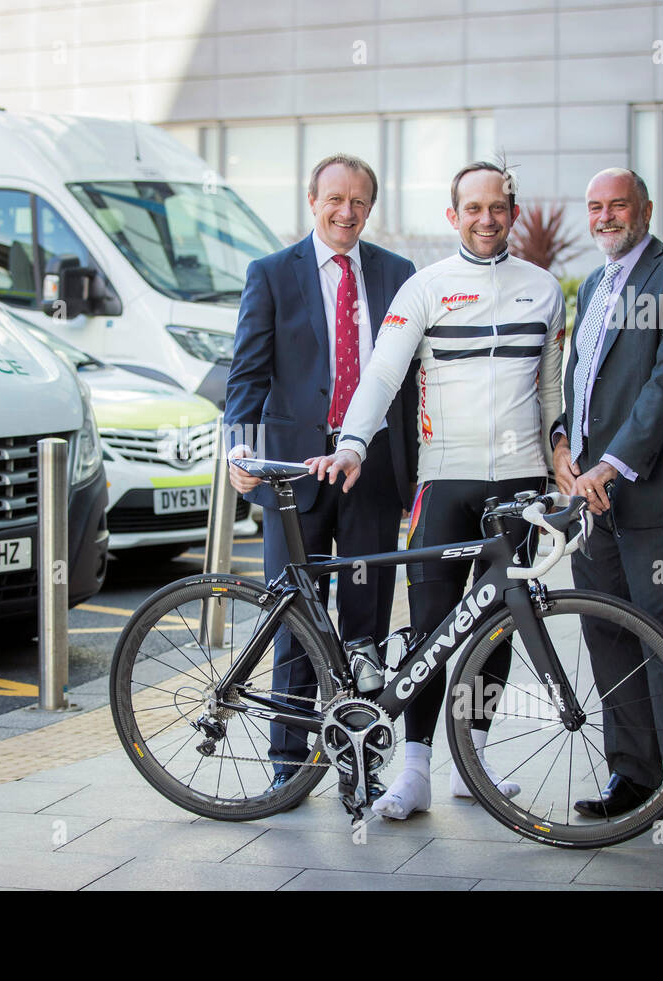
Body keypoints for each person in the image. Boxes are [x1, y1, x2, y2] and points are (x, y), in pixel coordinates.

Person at [309, 162, 565, 820]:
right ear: (453, 217)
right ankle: (416, 770)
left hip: (521, 481)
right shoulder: (424, 289)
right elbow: (382, 374)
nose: (486, 219)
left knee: (500, 623)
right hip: (444, 481)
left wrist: (561, 453)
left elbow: (552, 390)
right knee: (431, 630)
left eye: (497, 207)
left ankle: (471, 763)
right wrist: (354, 443)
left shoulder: (544, 290)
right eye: (471, 208)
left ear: (512, 210)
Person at [223, 154, 418, 800]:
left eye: (359, 202)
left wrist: (416, 477)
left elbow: (411, 381)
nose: (346, 212)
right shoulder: (272, 274)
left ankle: (356, 760)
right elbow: (247, 374)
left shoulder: (397, 274)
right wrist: (239, 450)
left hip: (372, 472)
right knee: (295, 618)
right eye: (335, 198)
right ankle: (288, 760)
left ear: (371, 208)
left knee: (365, 625)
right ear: (312, 200)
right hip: (291, 478)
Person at [551, 167, 663, 838]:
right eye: (594, 205)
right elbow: (583, 377)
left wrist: (612, 463)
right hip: (588, 494)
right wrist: (566, 442)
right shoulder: (595, 284)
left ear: (645, 208)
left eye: (617, 204)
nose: (605, 216)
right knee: (606, 628)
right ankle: (633, 773)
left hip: (646, 486)